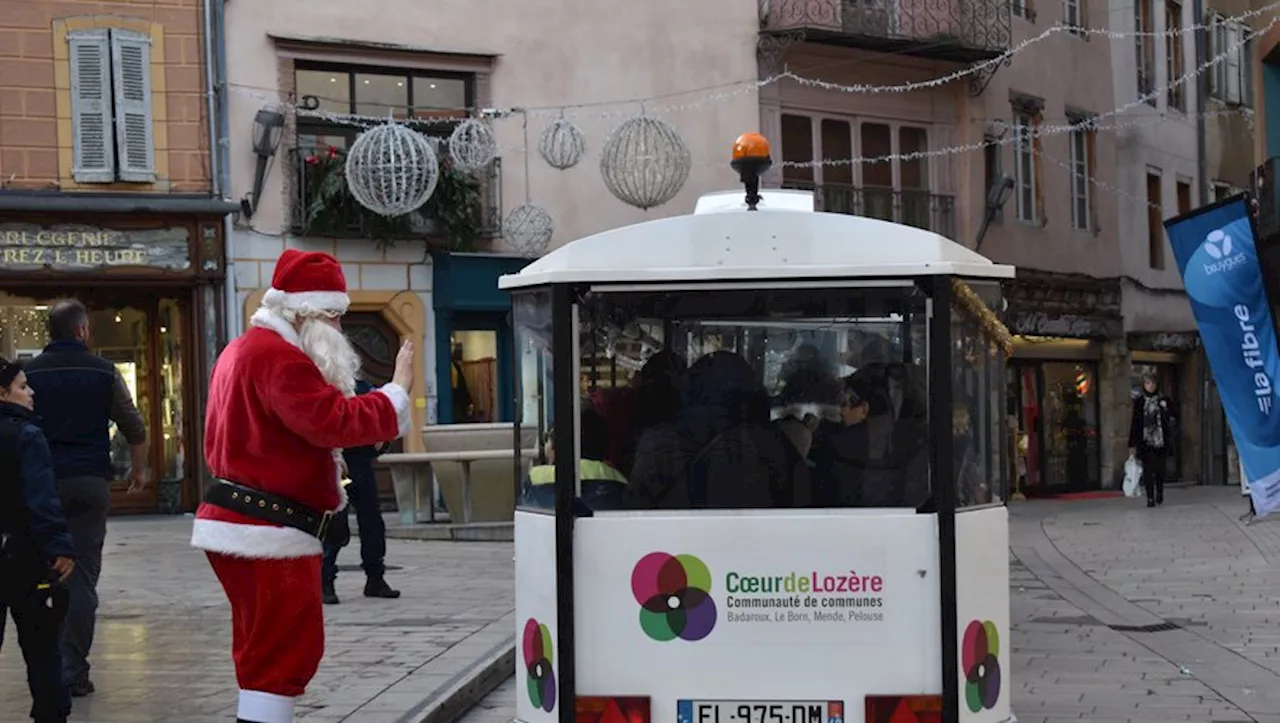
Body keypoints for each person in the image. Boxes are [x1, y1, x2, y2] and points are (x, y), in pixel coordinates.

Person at [190, 249, 413, 723]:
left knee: (264, 649)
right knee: (283, 652)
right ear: (306, 312)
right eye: (333, 316)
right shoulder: (279, 358)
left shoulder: (241, 349)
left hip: (244, 523)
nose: (337, 329)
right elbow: (330, 421)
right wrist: (395, 395)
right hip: (268, 530)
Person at [23, 299, 148, 698]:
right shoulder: (104, 372)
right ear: (82, 331)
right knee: (81, 576)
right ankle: (73, 670)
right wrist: (139, 470)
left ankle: (45, 668)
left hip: (39, 484)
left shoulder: (27, 375)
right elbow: (134, 425)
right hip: (89, 483)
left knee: (36, 573)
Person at [0, 358, 77, 723]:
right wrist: (59, 546)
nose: (30, 394)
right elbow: (41, 498)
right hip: (23, 555)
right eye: (22, 386)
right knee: (41, 647)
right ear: (2, 393)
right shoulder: (25, 435)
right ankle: (50, 714)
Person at [321, 377, 399, 606]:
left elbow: (381, 418)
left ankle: (375, 578)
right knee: (336, 525)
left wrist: (382, 440)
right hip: (336, 465)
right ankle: (325, 582)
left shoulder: (362, 388)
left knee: (372, 523)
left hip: (361, 464)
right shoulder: (323, 389)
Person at [520, 407, 628, 511]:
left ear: (556, 442)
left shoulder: (536, 477)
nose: (545, 447)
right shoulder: (618, 479)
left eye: (547, 439)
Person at [1129, 372, 1175, 508]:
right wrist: (1132, 444)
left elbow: (1173, 416)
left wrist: (1165, 409)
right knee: (1147, 470)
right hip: (1145, 440)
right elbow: (1135, 422)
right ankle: (1150, 497)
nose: (1150, 386)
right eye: (1147, 383)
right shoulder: (1140, 402)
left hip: (1160, 440)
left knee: (1160, 469)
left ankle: (1159, 492)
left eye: (1152, 383)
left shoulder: (1163, 400)